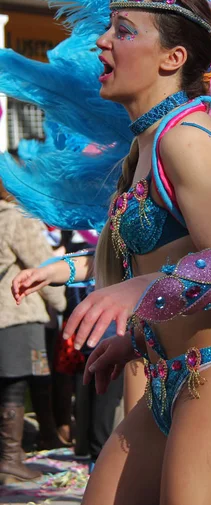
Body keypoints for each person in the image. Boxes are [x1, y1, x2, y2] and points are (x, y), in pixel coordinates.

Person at [11, 0, 211, 505]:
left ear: (174, 58)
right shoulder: (142, 150)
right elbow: (155, 257)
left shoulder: (185, 139)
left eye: (123, 31)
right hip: (170, 384)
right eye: (107, 28)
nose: (100, 43)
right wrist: (136, 336)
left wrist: (139, 291)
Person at [0, 183, 66, 484]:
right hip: (18, 314)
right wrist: (61, 302)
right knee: (23, 382)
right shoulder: (14, 217)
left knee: (13, 382)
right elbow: (41, 264)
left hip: (8, 317)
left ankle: (42, 438)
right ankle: (11, 459)